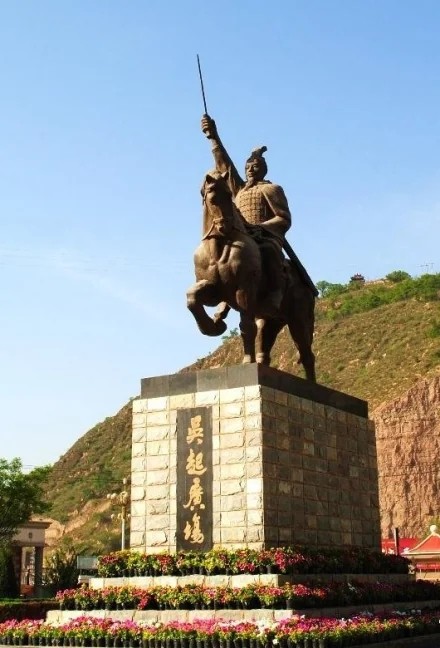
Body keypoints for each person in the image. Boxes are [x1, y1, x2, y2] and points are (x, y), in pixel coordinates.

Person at [201, 114, 291, 311]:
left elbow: (283, 218)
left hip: (263, 236)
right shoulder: (240, 189)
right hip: (241, 233)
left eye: (255, 166)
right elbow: (225, 165)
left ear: (263, 169)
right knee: (222, 255)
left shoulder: (271, 189)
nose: (250, 170)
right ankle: (223, 294)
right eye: (247, 167)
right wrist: (213, 137)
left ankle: (275, 293)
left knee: (268, 250)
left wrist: (261, 227)